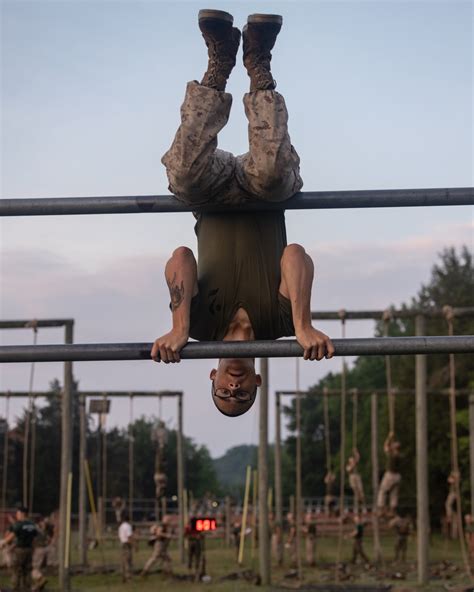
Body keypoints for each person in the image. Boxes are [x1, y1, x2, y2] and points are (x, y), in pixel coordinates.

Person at [151, 9, 334, 417]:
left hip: (214, 195)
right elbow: (295, 255)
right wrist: (304, 326)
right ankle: (258, 64)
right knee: (271, 173)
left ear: (212, 379)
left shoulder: (197, 329)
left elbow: (181, 257)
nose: (233, 387)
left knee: (182, 176)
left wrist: (179, 327)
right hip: (262, 194)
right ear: (257, 382)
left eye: (224, 393)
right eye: (243, 394)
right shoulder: (282, 326)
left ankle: (218, 66)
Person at [0, 504, 38, 592]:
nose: (17, 515)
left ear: (22, 513)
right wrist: (33, 549)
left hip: (20, 550)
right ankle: (27, 588)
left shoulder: (19, 525)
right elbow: (35, 539)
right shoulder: (32, 524)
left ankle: (16, 589)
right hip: (29, 550)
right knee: (27, 571)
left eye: (17, 513)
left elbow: (11, 536)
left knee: (17, 571)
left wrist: (2, 543)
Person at [377, 432, 402, 516]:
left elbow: (386, 445)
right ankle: (392, 510)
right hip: (398, 476)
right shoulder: (399, 455)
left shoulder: (392, 454)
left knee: (383, 491)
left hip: (390, 474)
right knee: (394, 493)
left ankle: (381, 509)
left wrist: (389, 437)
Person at [31, 516, 53, 591]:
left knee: (33, 568)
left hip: (39, 549)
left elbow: (33, 540)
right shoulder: (44, 530)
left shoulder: (36, 530)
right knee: (39, 568)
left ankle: (42, 579)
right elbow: (49, 540)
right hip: (45, 549)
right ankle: (38, 586)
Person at [346, 449, 366, 514]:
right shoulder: (348, 466)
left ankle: (363, 507)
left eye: (352, 460)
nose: (352, 461)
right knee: (356, 493)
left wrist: (355, 452)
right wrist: (353, 464)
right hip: (352, 477)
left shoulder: (355, 463)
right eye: (351, 460)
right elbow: (349, 470)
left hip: (357, 476)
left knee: (361, 492)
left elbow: (358, 457)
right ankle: (357, 508)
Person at [118, 511, 133, 583]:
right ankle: (128, 578)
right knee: (128, 561)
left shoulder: (121, 526)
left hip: (122, 544)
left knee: (123, 561)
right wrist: (134, 545)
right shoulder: (128, 526)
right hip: (127, 544)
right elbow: (129, 536)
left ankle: (123, 577)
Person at [445, 470, 459, 539]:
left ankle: (449, 515)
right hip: (453, 493)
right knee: (455, 516)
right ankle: (454, 535)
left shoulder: (455, 480)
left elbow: (449, 480)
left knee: (447, 504)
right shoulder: (455, 480)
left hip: (453, 494)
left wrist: (451, 474)